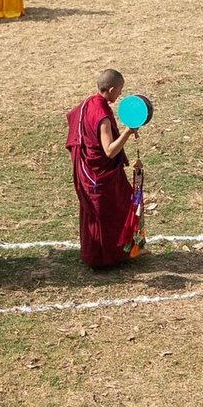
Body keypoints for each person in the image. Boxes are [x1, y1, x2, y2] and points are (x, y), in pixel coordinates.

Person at [65, 69, 140, 269]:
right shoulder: (102, 114)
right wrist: (128, 131)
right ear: (112, 89)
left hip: (89, 169)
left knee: (118, 203)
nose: (120, 95)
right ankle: (107, 257)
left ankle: (112, 252)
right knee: (112, 211)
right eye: (120, 90)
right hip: (99, 175)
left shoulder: (88, 104)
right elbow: (109, 151)